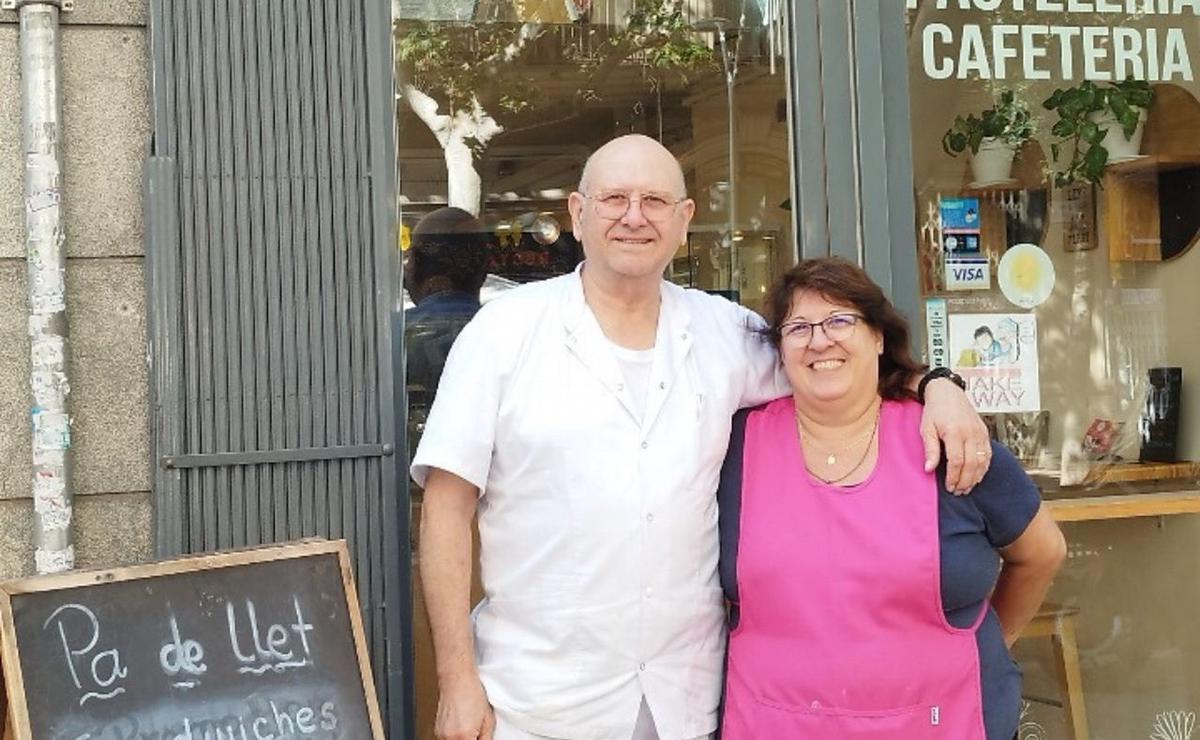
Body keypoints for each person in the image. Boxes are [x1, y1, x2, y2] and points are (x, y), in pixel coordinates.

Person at [411, 134, 992, 740]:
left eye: (655, 200)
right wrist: (457, 681)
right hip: (537, 700)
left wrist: (939, 383)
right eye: (614, 198)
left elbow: (836, 365)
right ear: (578, 215)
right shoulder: (503, 332)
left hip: (683, 698)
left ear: (684, 220)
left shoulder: (725, 332)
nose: (635, 216)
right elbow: (447, 510)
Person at [718, 258, 1066, 739]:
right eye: (798, 327)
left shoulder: (948, 439)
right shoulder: (729, 449)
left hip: (944, 722)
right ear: (779, 349)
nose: (820, 340)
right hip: (771, 723)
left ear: (879, 337)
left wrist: (983, 644)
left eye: (841, 320)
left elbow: (1042, 553)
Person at [403, 206, 493, 418]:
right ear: (484, 272)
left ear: (414, 263)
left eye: (408, 258)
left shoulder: (391, 338)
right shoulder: (516, 335)